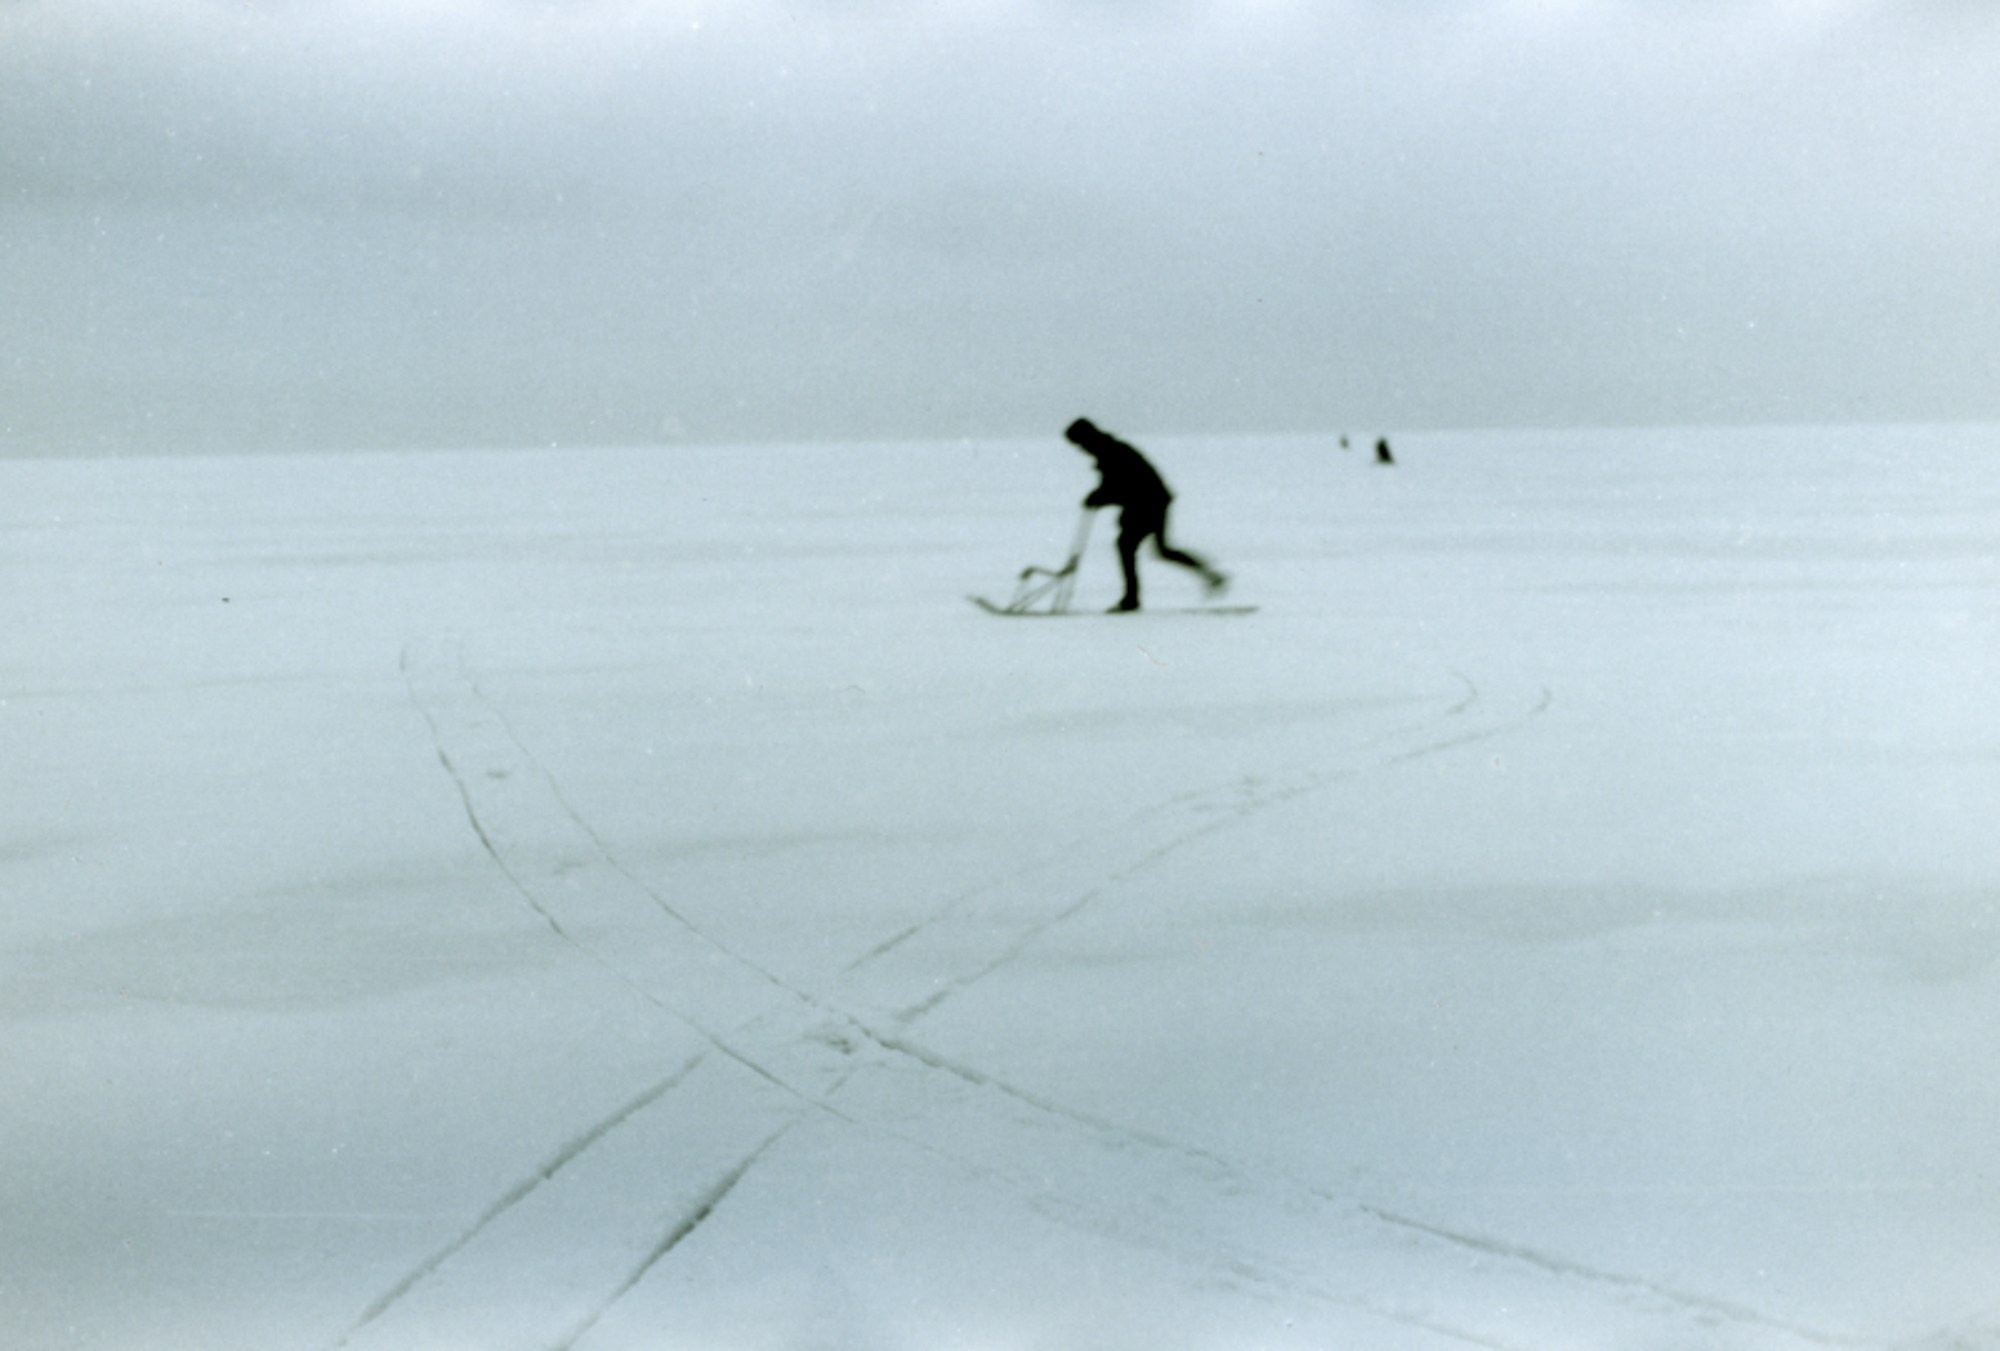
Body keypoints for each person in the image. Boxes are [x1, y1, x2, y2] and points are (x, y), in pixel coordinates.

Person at [1064, 418, 1227, 612]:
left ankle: (1131, 599)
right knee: (1159, 549)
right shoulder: (1108, 451)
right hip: (1151, 501)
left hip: (1149, 502)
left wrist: (1100, 498)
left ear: (1087, 438)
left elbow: (1127, 486)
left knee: (1129, 546)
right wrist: (1100, 497)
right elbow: (1116, 486)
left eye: (1079, 443)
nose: (1080, 449)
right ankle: (1210, 575)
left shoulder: (1112, 453)